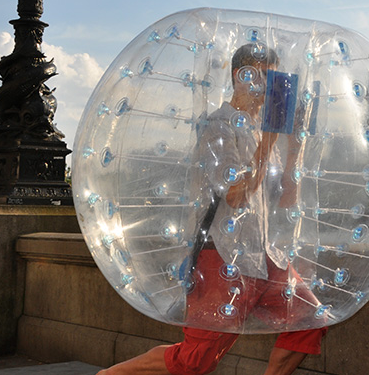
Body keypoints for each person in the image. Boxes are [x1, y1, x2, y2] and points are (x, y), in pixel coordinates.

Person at [98, 43, 326, 375]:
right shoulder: (218, 126)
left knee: (309, 318)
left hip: (264, 256)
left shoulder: (264, 132)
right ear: (241, 76)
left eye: (276, 81)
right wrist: (268, 141)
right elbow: (234, 195)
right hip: (222, 256)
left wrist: (295, 145)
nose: (272, 90)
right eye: (266, 78)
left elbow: (286, 200)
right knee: (196, 360)